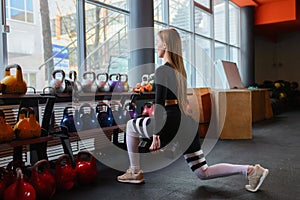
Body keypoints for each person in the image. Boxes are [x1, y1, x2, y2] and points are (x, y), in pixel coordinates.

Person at [117, 28, 269, 193]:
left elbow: (159, 104)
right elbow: (167, 93)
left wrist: (155, 135)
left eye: (158, 42)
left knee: (132, 126)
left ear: (166, 45)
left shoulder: (161, 70)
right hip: (186, 122)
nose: (157, 46)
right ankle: (250, 170)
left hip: (168, 119)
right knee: (203, 172)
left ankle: (134, 171)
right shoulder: (179, 70)